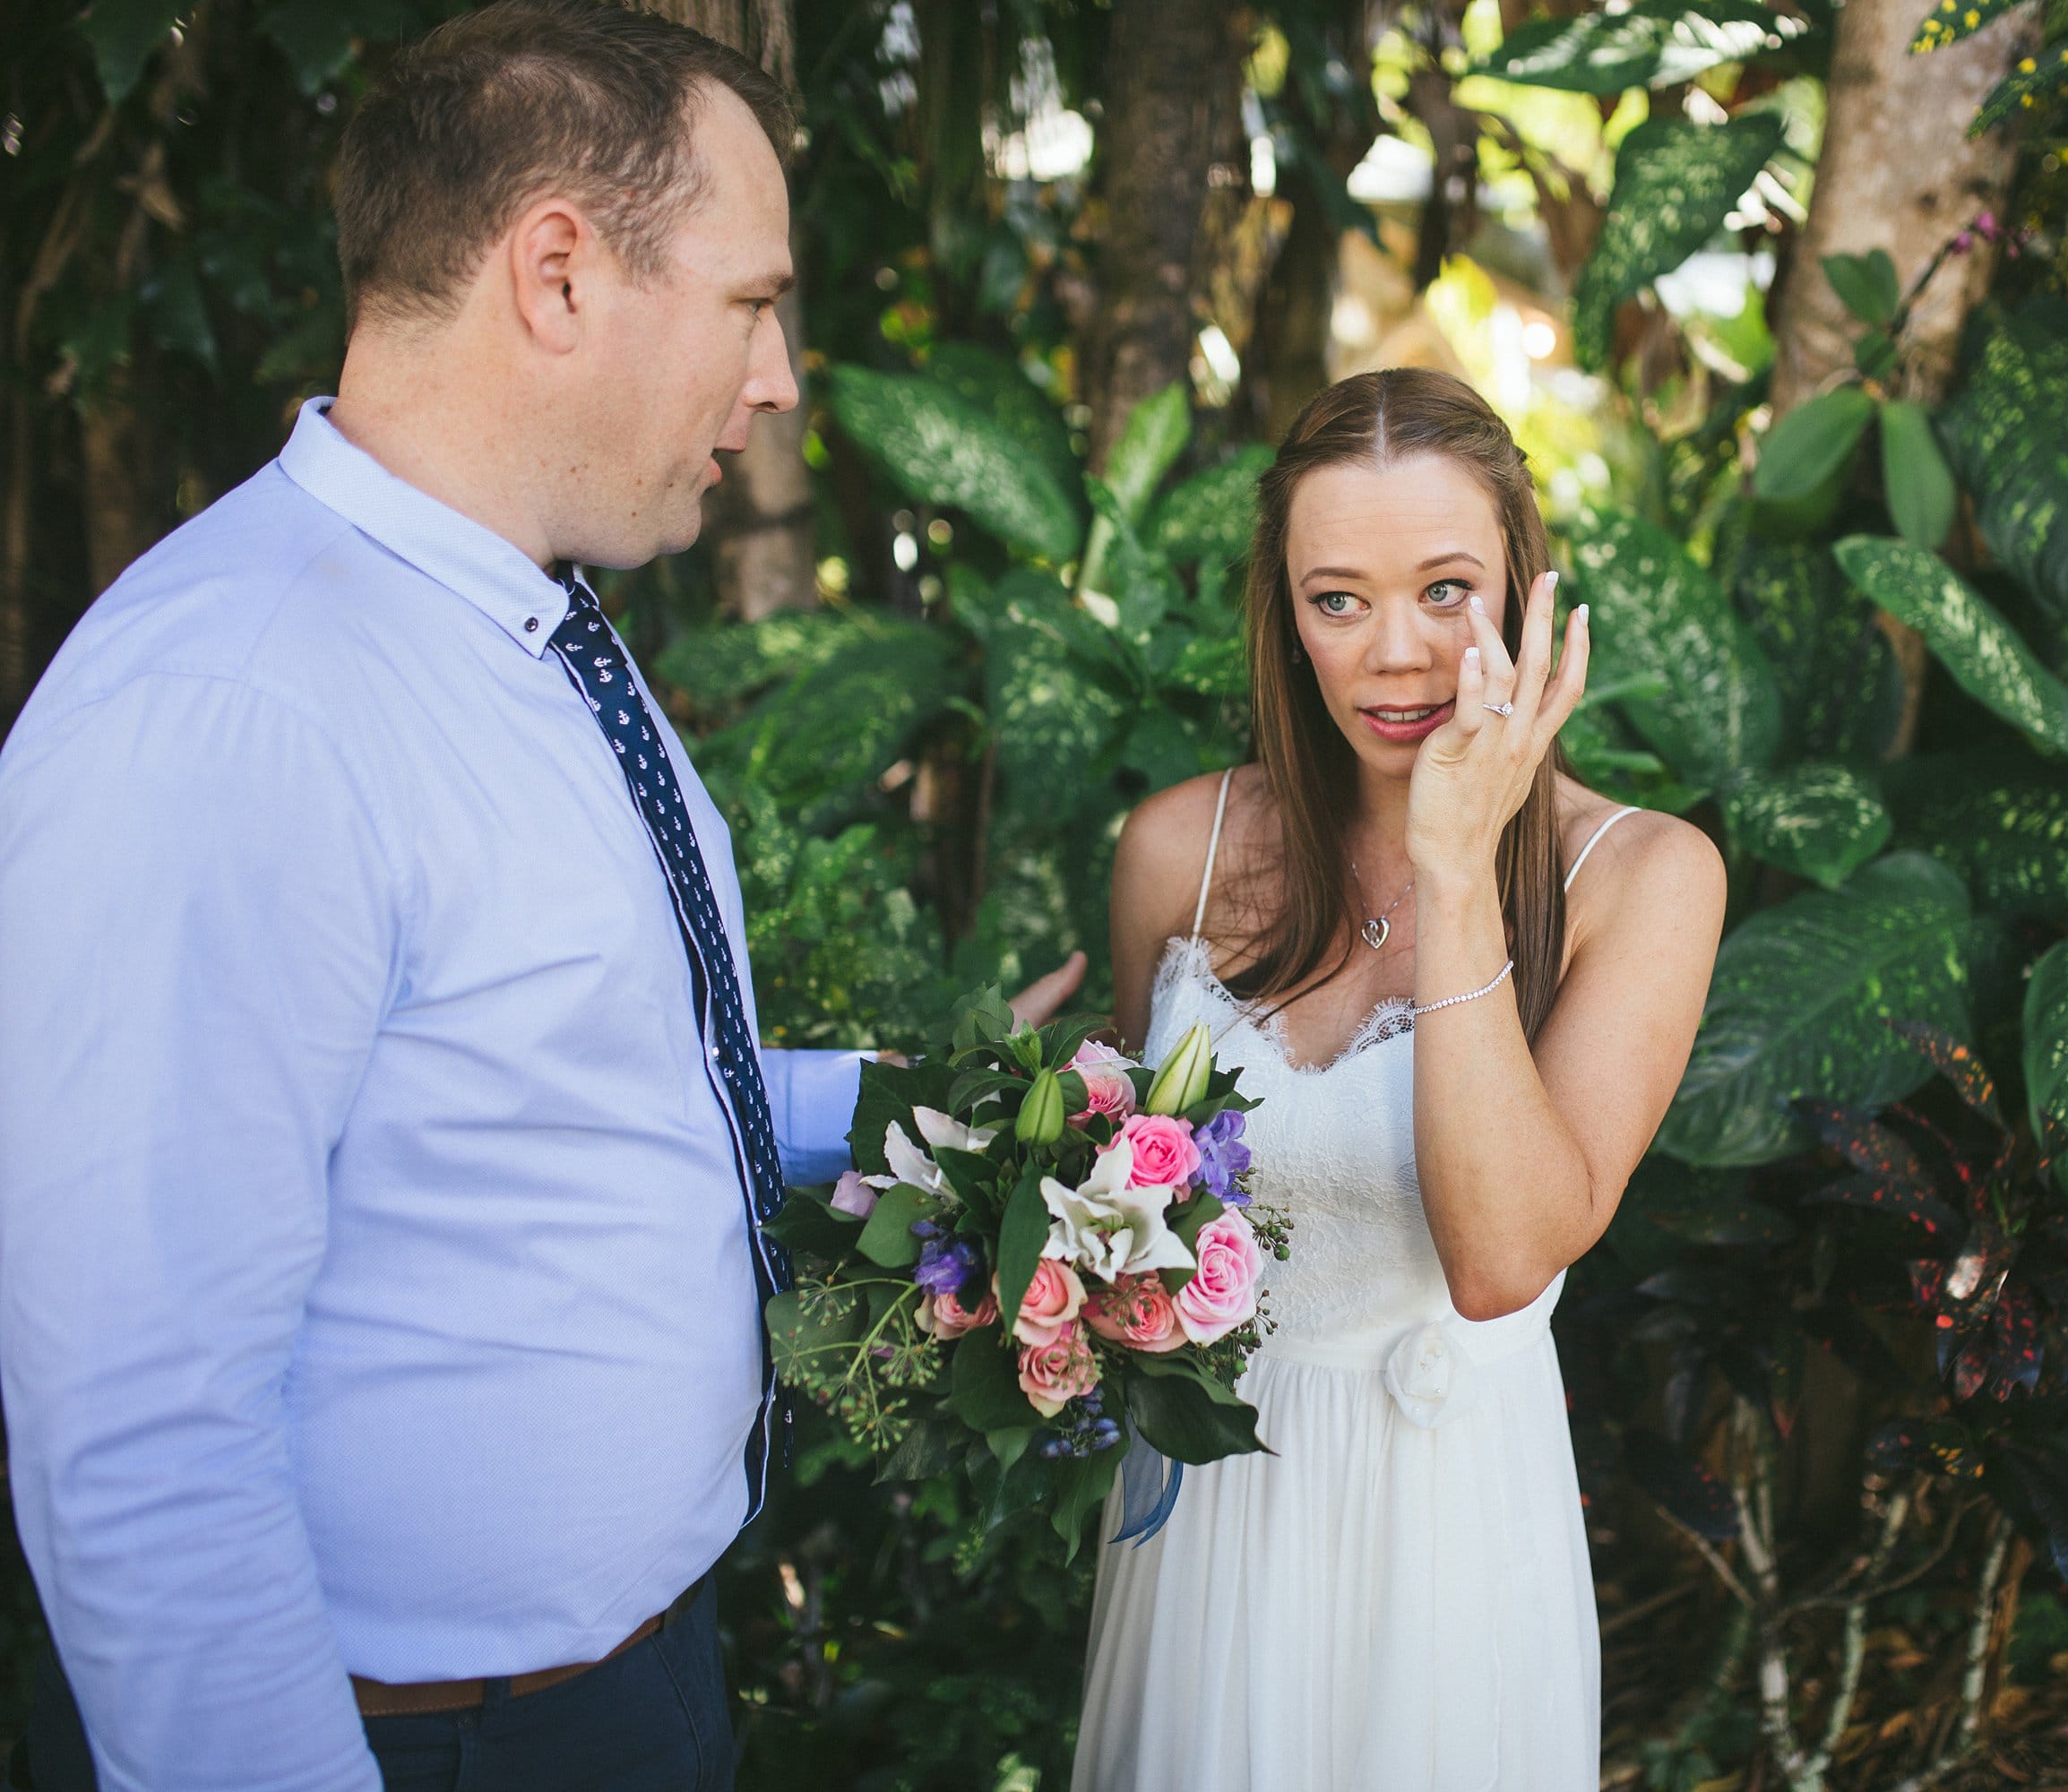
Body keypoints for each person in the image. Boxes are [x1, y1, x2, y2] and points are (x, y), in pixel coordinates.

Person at [0, 5, 1080, 1788]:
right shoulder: (232, 709)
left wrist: (893, 1118)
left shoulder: (530, 625)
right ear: (561, 274)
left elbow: (557, 1081)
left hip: (623, 1690)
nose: (782, 376)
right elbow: (137, 1432)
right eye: (751, 302)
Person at [1074, 367, 1728, 1789]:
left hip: (1447, 1542)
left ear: (1524, 588)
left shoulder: (1646, 879)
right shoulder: (1172, 854)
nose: (1399, 658)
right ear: (1285, 619)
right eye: (1339, 600)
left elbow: (1500, 1257)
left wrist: (1455, 865)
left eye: (1447, 589)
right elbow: (1137, 1228)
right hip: (1203, 1531)